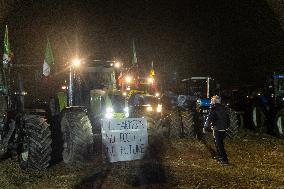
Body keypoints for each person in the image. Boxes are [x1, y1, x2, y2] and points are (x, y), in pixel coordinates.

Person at [203, 95, 230, 165]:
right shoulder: (224, 108)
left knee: (219, 144)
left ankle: (225, 160)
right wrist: (227, 127)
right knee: (218, 143)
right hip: (224, 129)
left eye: (212, 100)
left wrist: (205, 127)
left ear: (214, 101)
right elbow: (228, 118)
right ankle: (220, 156)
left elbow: (209, 119)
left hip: (217, 129)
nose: (211, 101)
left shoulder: (213, 109)